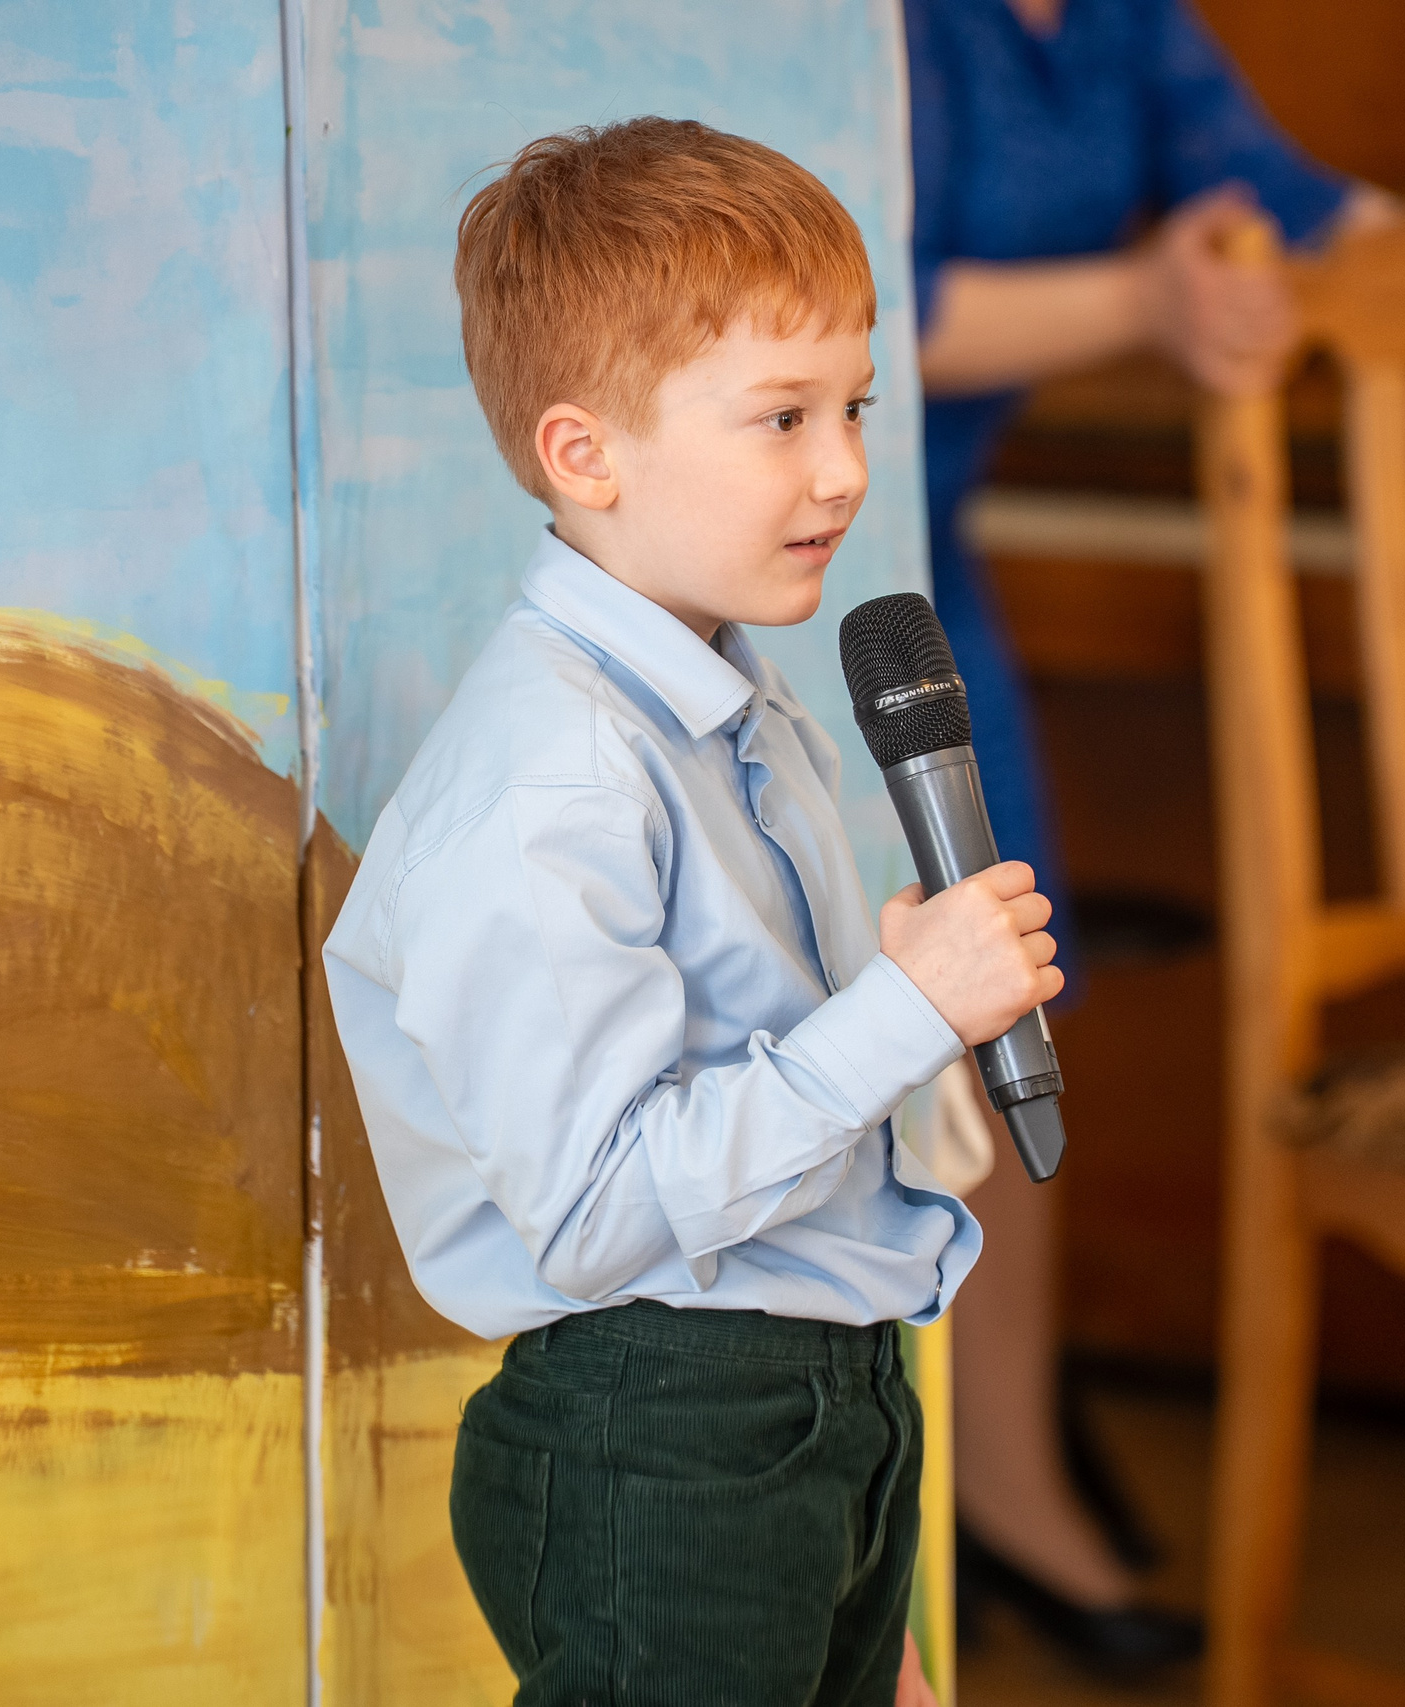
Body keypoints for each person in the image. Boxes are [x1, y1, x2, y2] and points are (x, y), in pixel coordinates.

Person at [907, 0, 1405, 1683]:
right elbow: (846, 308)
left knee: (1006, 1032)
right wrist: (1146, 299)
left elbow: (1321, 220)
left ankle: (1009, 1492)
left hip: (930, 564)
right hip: (783, 545)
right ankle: (883, 1518)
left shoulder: (1125, 29)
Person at [323, 118, 1063, 1707]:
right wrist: (901, 1014)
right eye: (782, 416)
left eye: (853, 405)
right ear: (584, 454)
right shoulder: (552, 786)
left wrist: (885, 1595)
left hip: (824, 1411)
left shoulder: (738, 701)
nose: (847, 467)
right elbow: (596, 1213)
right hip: (662, 1435)